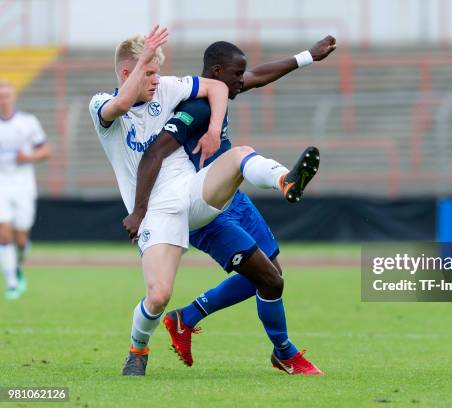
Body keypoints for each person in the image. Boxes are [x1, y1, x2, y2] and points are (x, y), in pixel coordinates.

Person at [91, 26, 320, 376]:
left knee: (241, 160)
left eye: (156, 71)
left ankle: (283, 181)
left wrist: (215, 129)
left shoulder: (167, 88)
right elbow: (134, 122)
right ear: (127, 73)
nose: (156, 79)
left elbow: (221, 86)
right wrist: (138, 212)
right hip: (157, 209)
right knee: (158, 296)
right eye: (149, 72)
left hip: (197, 191)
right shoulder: (101, 106)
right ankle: (138, 349)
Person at [0, 80, 50, 300]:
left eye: (7, 95)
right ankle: (11, 283)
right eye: (1, 96)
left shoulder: (28, 122)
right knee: (4, 233)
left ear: (13, 97)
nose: (4, 100)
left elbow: (45, 150)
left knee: (21, 239)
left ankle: (18, 262)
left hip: (23, 186)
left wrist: (27, 157)